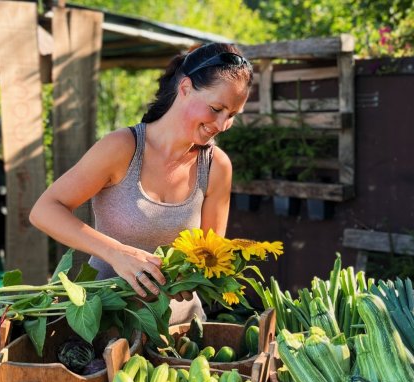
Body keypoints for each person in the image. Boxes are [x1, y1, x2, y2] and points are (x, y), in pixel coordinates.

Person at [29, 42, 253, 324]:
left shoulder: (216, 166)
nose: (221, 125)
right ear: (185, 88)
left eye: (231, 115)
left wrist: (194, 276)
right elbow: (45, 210)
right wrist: (116, 253)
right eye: (216, 108)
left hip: (182, 329)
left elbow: (210, 255)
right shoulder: (122, 148)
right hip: (107, 322)